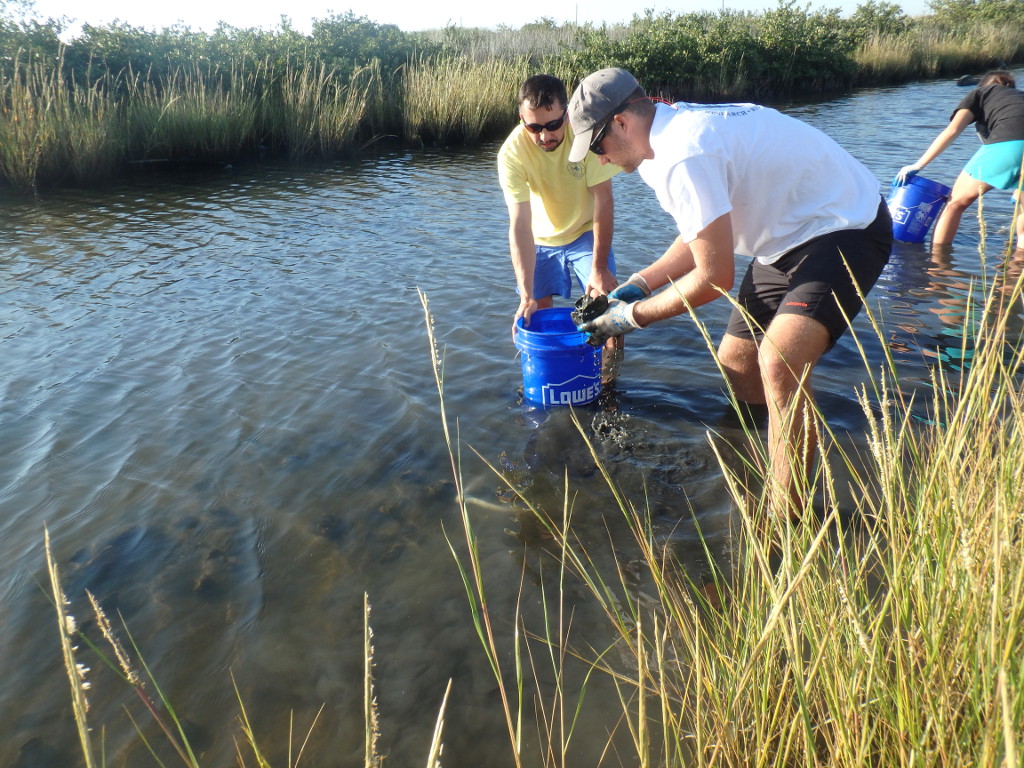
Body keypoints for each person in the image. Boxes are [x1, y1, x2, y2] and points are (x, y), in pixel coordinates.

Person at [566, 67, 893, 518]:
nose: (599, 159)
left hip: (844, 225)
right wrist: (638, 284)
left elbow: (714, 279)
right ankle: (754, 453)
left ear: (621, 121)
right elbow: (700, 234)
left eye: (597, 145)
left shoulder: (684, 151)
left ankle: (786, 518)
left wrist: (628, 317)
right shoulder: (656, 145)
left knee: (780, 359)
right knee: (738, 361)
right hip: (783, 240)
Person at [497, 74, 623, 371]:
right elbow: (519, 224)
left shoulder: (586, 137)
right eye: (534, 127)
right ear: (521, 120)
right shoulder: (512, 153)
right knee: (536, 316)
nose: (545, 136)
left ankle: (609, 380)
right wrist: (525, 295)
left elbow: (604, 201)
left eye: (553, 125)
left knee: (606, 309)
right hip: (540, 239)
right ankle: (555, 371)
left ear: (566, 115)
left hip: (585, 232)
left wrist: (600, 267)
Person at [894, 70, 1024, 250]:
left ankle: (938, 265)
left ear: (983, 85)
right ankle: (1018, 269)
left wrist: (918, 164)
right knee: (1022, 211)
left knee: (955, 203)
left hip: (1009, 144)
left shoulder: (979, 94)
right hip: (1014, 145)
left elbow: (952, 130)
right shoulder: (1018, 98)